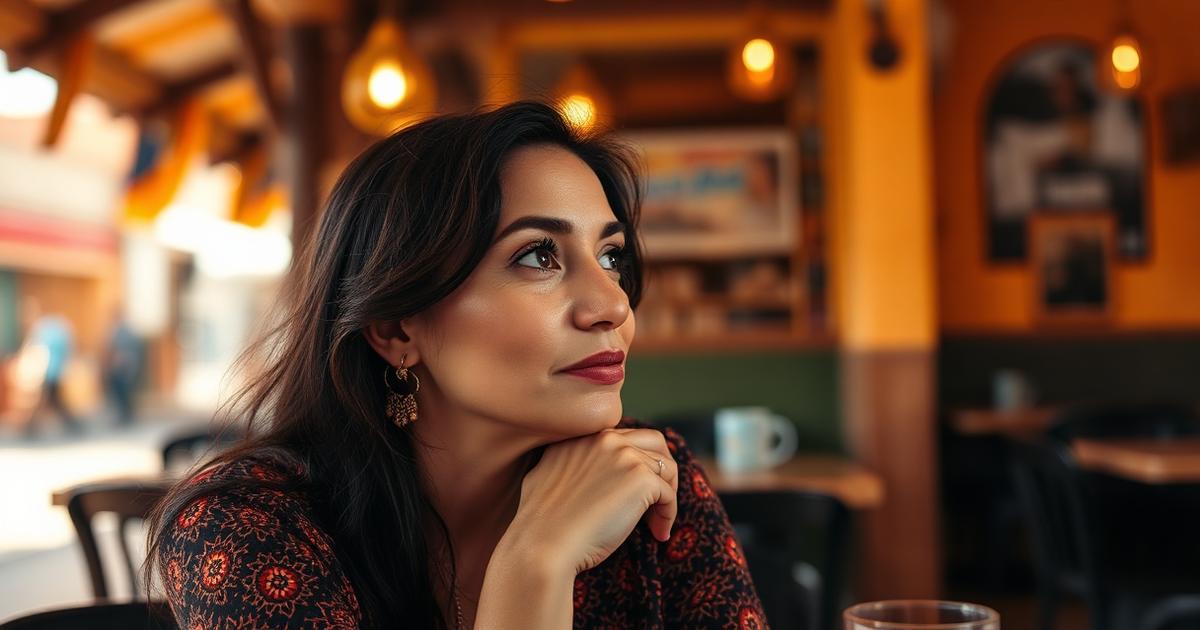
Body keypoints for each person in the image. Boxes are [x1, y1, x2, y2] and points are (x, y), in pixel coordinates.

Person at [146, 102, 767, 629]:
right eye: (538, 256)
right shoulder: (248, 527)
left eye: (610, 257)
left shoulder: (649, 479)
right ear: (395, 329)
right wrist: (536, 562)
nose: (613, 306)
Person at [20, 299, 80, 436]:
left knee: (46, 400)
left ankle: (30, 428)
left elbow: (36, 349)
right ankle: (73, 424)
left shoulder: (43, 329)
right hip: (54, 371)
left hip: (49, 371)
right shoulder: (57, 328)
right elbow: (68, 348)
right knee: (53, 401)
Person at [101, 307, 142, 425]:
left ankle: (127, 415)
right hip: (117, 368)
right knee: (119, 393)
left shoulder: (125, 332)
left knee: (124, 393)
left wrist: (124, 360)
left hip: (124, 368)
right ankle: (125, 414)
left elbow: (130, 350)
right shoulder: (115, 331)